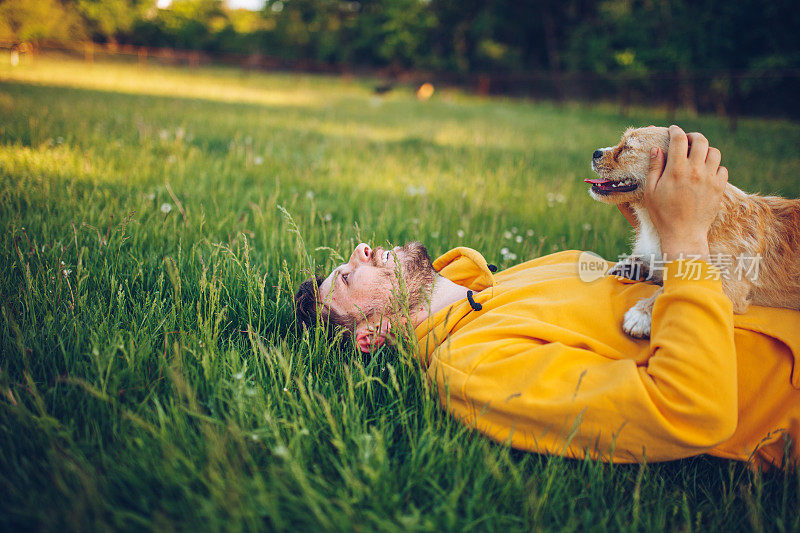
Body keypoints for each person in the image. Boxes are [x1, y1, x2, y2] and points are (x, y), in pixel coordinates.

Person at [294, 126, 800, 469]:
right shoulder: (473, 367)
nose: (360, 250)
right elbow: (694, 411)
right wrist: (687, 234)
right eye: (344, 275)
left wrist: (662, 205)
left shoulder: (508, 282)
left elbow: (655, 279)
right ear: (370, 336)